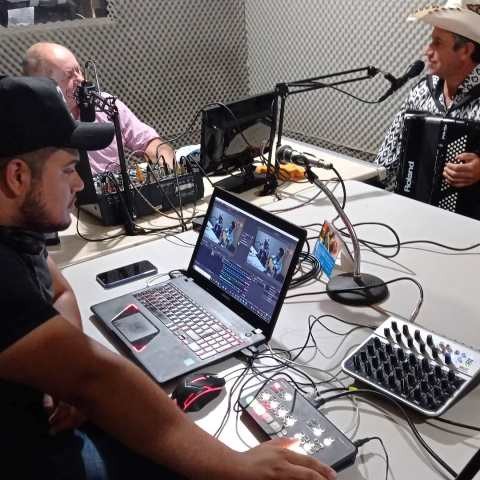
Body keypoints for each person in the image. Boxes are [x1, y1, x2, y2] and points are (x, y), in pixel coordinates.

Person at [0, 76, 337, 479]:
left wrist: (61, 371)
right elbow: (97, 377)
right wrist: (236, 467)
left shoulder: (18, 230)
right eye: (69, 169)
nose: (80, 183)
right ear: (18, 176)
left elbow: (59, 291)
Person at [22, 42, 175, 175]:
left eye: (79, 71)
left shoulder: (105, 104)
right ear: (43, 86)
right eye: (69, 76)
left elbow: (149, 142)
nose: (81, 79)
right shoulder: (31, 127)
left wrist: (165, 163)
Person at [376, 0, 480, 191]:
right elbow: (389, 155)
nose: (427, 51)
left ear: (465, 50)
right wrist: (371, 189)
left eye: (437, 42)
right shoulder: (423, 90)